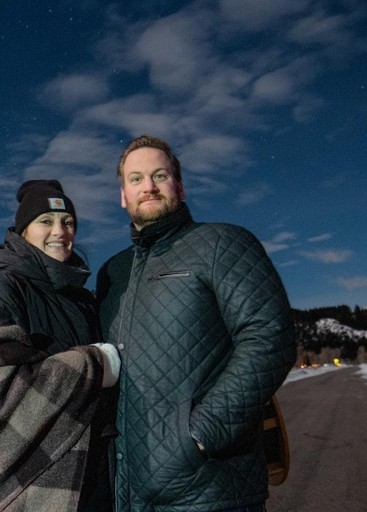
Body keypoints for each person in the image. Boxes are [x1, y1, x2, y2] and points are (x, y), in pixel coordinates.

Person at [97, 135, 296, 512]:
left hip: (209, 491)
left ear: (179, 186)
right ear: (122, 195)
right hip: (129, 495)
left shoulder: (222, 242)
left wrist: (199, 438)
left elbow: (269, 339)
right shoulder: (113, 273)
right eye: (135, 179)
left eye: (160, 175)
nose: (148, 187)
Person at [0, 179, 121, 512]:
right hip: (29, 483)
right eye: (46, 221)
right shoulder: (0, 291)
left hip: (89, 475)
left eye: (68, 222)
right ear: (23, 231)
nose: (61, 231)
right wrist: (97, 364)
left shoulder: (80, 299)